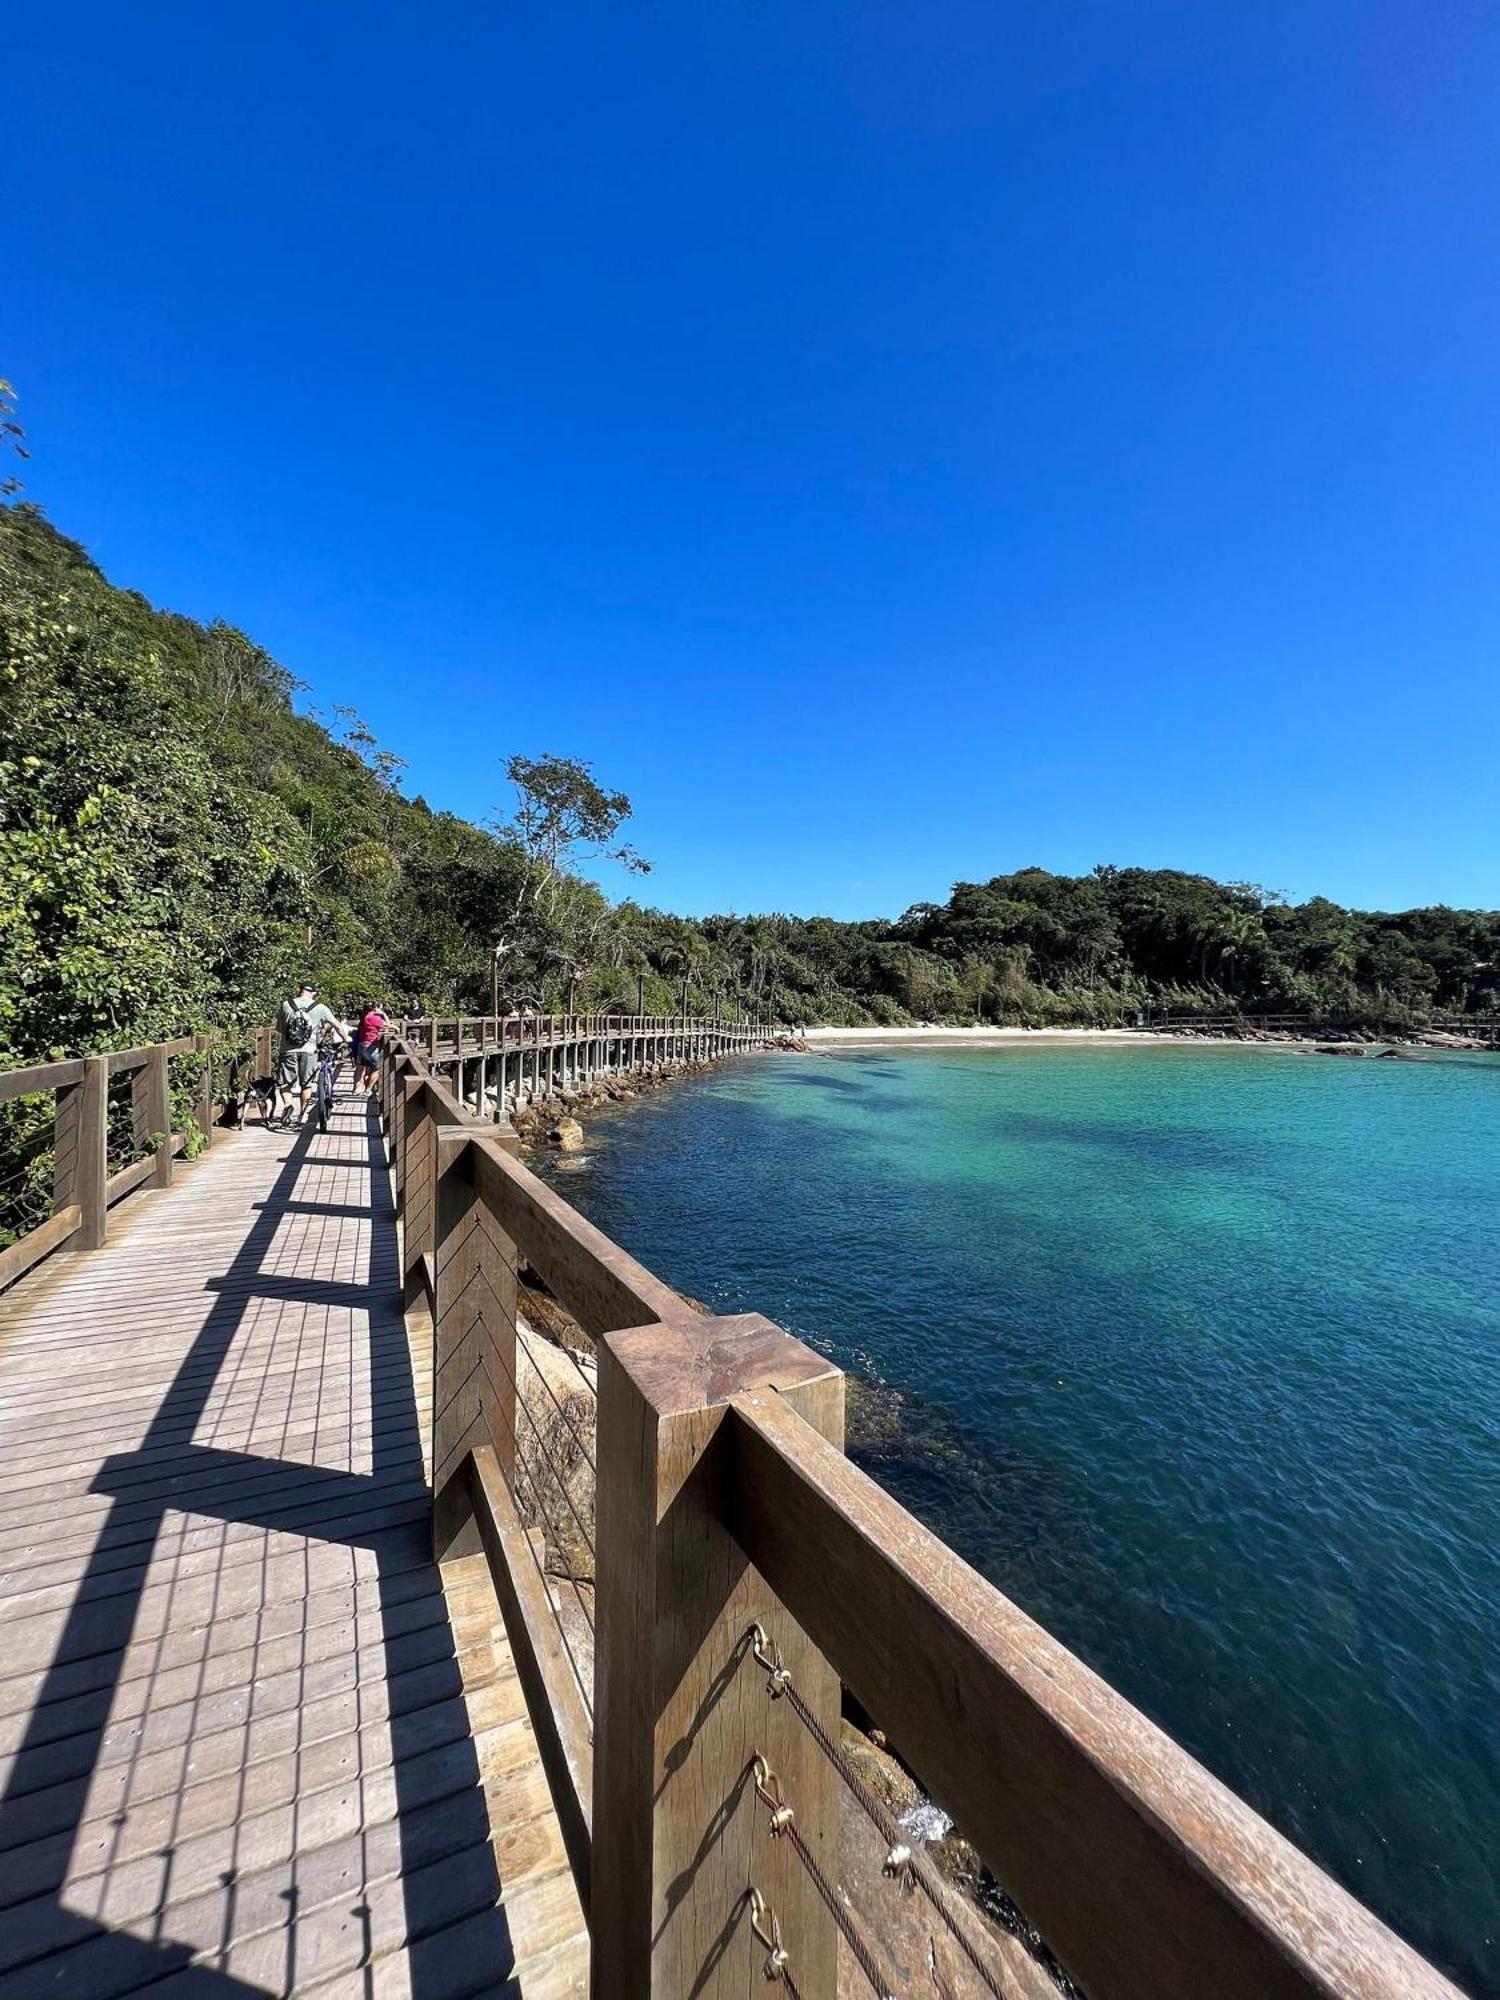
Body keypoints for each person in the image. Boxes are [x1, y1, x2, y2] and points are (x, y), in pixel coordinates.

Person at [274, 981, 348, 1127]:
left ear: (299, 990)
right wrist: (346, 1040)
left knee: (285, 1082)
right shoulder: (320, 1007)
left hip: (288, 1049)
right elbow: (337, 1026)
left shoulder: (286, 1004)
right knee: (306, 1083)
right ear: (314, 993)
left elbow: (279, 1028)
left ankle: (288, 1104)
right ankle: (302, 1114)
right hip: (309, 1050)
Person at [354, 999, 387, 1096]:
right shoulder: (373, 1017)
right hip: (370, 1045)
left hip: (361, 1044)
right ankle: (368, 1089)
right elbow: (387, 1025)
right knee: (376, 1068)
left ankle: (357, 1088)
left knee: (360, 1067)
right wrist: (383, 1014)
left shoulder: (364, 1016)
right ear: (376, 1008)